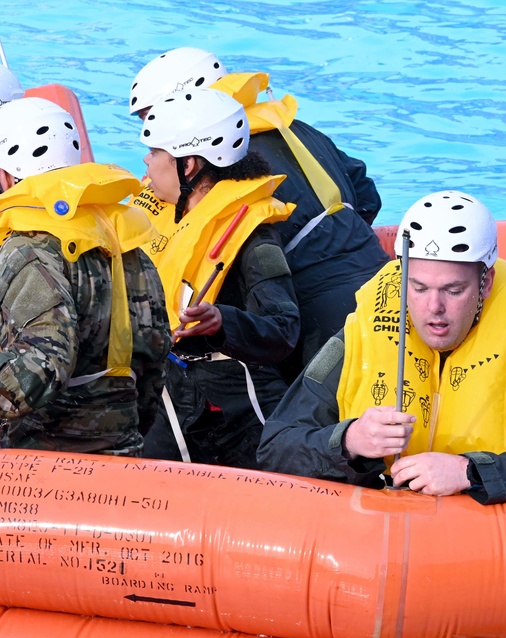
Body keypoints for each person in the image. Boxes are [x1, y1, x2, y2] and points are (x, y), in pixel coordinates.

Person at [258, 191, 506, 504]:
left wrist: (471, 471)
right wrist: (349, 441)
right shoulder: (357, 339)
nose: (433, 308)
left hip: (485, 547)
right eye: (419, 288)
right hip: (374, 535)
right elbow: (275, 446)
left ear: (486, 284)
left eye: (453, 291)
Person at [129, 47, 389, 382]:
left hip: (314, 310)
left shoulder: (221, 166)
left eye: (154, 119)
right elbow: (365, 192)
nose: (153, 131)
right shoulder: (292, 127)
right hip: (380, 278)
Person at [135, 88, 300, 468]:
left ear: (187, 164)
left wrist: (223, 321)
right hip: (167, 389)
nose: (146, 161)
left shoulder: (252, 237)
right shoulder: (162, 214)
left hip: (232, 409)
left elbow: (283, 328)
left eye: (155, 152)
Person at [0, 97, 170, 453]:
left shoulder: (27, 249)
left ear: (5, 174)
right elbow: (154, 362)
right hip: (123, 450)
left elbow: (44, 363)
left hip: (41, 461)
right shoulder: (124, 244)